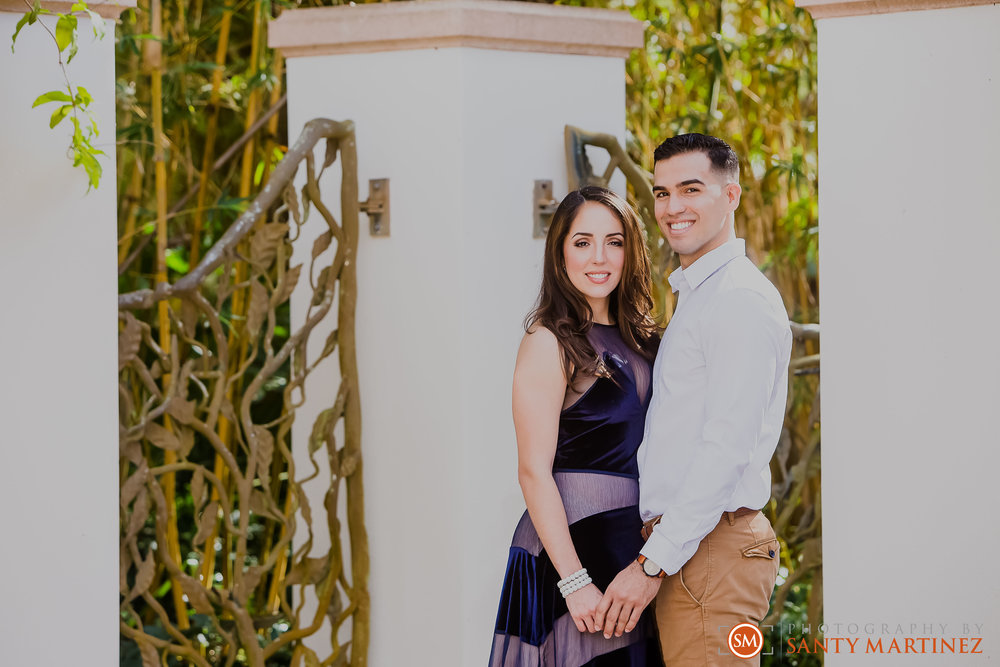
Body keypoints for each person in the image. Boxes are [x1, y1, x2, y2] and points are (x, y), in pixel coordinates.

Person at [593, 134, 792, 665]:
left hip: (708, 550)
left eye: (690, 189)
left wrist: (651, 563)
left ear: (731, 197)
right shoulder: (701, 296)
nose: (672, 207)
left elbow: (725, 449)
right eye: (661, 193)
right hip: (694, 547)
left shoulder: (738, 302)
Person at [489, 186, 664, 666]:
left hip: (634, 553)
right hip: (571, 556)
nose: (599, 257)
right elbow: (533, 472)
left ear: (631, 250)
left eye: (614, 241)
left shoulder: (645, 339)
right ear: (560, 251)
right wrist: (574, 580)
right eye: (582, 242)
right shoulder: (548, 341)